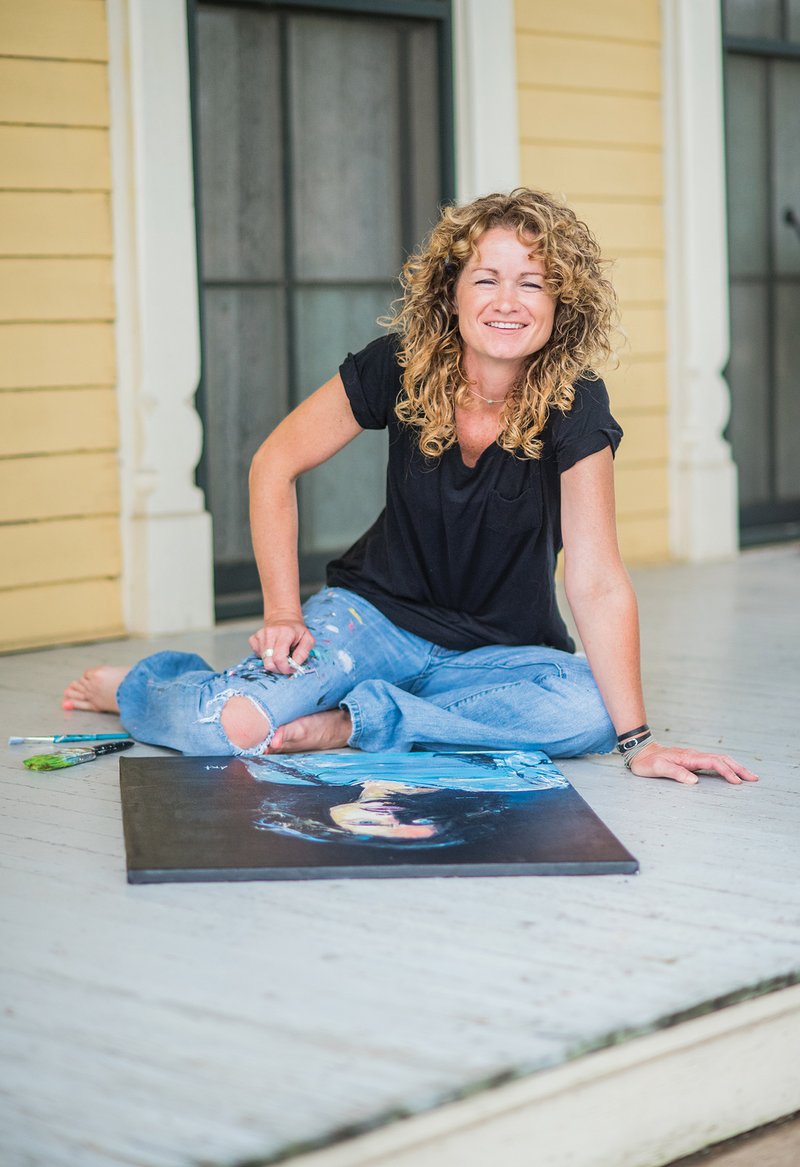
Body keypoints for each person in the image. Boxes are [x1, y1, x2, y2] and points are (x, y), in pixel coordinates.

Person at [64, 189, 758, 787]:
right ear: (451, 291)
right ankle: (143, 684)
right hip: (372, 620)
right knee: (226, 726)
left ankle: (355, 721)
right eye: (486, 279)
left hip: (497, 652)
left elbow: (598, 579)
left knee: (590, 711)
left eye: (533, 282)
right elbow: (273, 462)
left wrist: (638, 743)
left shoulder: (576, 403)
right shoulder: (398, 365)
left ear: (560, 302)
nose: (508, 302)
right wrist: (281, 610)